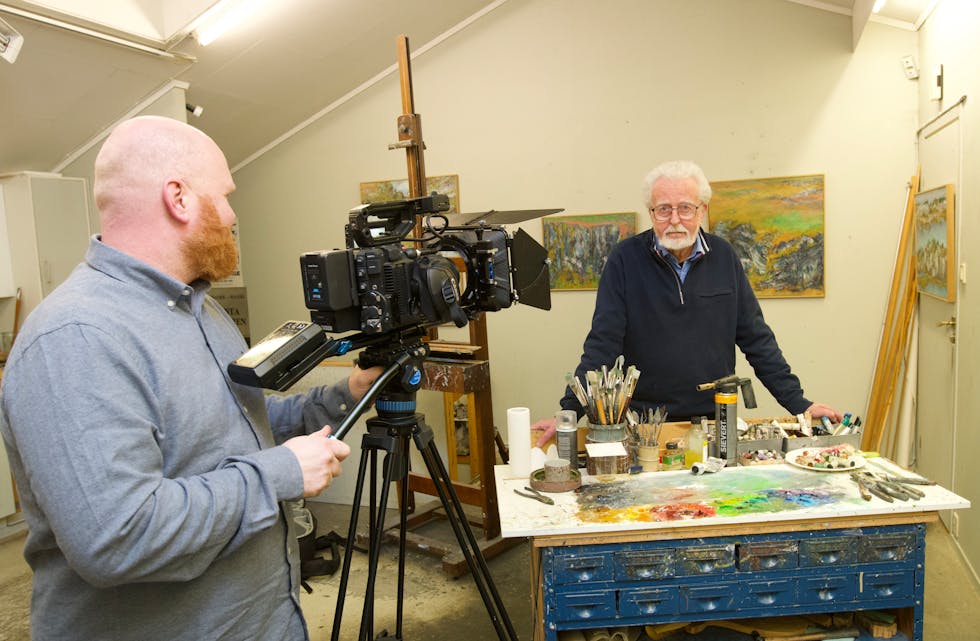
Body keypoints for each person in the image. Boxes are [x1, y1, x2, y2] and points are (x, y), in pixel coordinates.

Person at [0, 115, 382, 641]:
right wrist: (278, 474)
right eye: (224, 195)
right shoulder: (76, 338)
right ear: (178, 198)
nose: (231, 214)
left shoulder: (201, 309)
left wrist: (347, 395)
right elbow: (119, 536)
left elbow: (237, 426)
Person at [537, 160, 839, 437]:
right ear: (651, 212)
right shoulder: (624, 260)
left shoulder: (724, 257)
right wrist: (568, 411)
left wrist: (799, 404)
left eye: (685, 208)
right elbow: (602, 344)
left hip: (714, 420)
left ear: (702, 210)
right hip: (644, 423)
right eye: (663, 209)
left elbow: (757, 340)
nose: (675, 220)